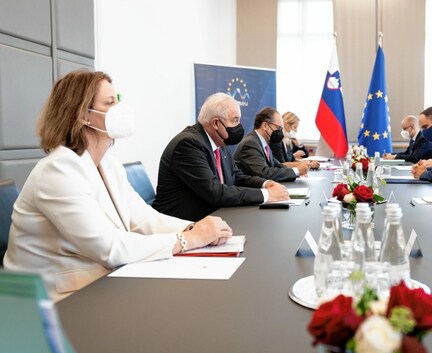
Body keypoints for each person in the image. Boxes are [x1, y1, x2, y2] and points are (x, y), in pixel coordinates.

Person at [2, 70, 233, 302]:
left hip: (94, 286)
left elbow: (143, 219)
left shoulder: (108, 164)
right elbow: (109, 247)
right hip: (52, 302)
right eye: (110, 102)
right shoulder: (57, 171)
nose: (120, 108)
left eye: (118, 99)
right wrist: (189, 240)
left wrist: (196, 229)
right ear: (83, 114)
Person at [152, 93, 290, 221]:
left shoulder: (219, 143)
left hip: (213, 216)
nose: (239, 126)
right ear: (216, 123)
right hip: (182, 224)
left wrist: (265, 184)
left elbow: (237, 177)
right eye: (235, 120)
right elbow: (215, 193)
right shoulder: (188, 144)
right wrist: (267, 195)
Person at [234, 107, 309, 181]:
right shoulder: (250, 143)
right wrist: (296, 171)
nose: (280, 132)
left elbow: (277, 165)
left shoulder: (264, 143)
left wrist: (298, 170)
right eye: (278, 128)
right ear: (265, 126)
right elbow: (264, 173)